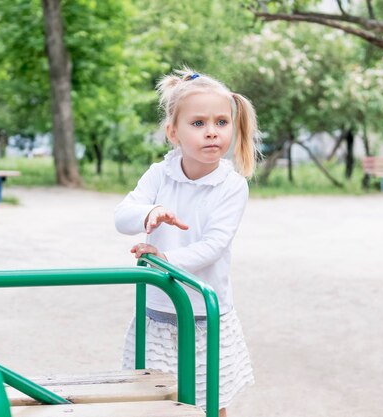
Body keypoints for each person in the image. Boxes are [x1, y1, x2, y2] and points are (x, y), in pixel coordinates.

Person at [114, 68, 259, 417]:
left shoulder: (232, 186)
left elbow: (214, 245)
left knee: (211, 402)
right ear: (173, 132)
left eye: (221, 122)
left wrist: (165, 259)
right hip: (158, 314)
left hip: (204, 315)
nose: (212, 132)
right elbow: (122, 216)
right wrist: (148, 213)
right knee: (155, 401)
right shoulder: (159, 174)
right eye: (198, 124)